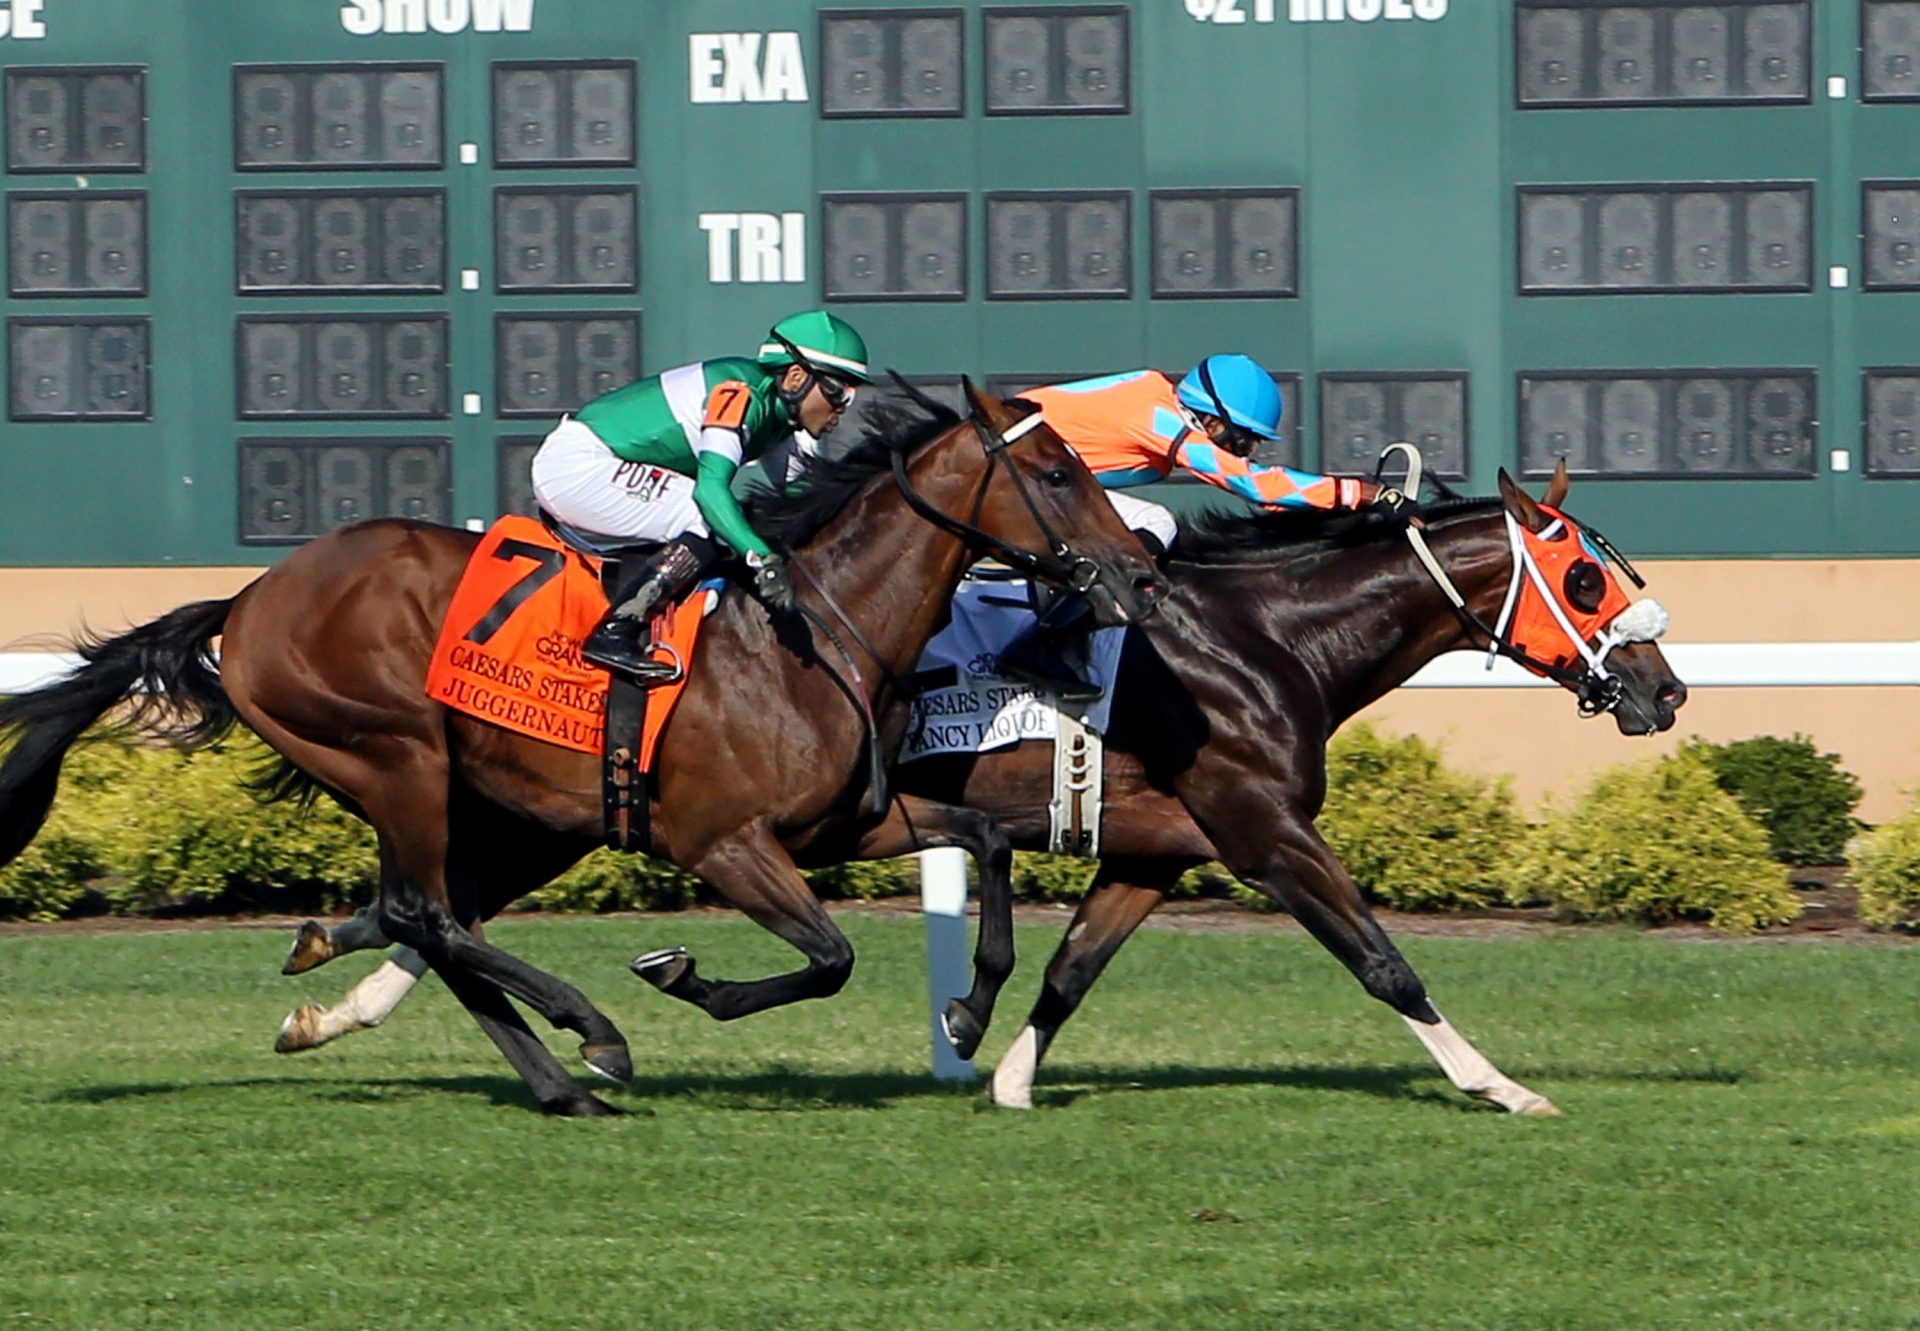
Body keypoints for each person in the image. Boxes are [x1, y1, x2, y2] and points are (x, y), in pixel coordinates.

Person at [999, 354, 1388, 701]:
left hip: (1025, 468)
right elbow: (1256, 486)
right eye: (1241, 440)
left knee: (1119, 524)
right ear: (1211, 420)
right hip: (1017, 473)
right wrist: (1356, 493)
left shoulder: (1154, 402)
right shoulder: (1159, 418)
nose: (1242, 452)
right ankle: (1042, 645)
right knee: (1156, 522)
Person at [529, 310, 872, 683]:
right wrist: (762, 560)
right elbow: (710, 491)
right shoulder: (739, 395)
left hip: (597, 463)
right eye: (838, 391)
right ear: (794, 378)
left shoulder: (779, 419)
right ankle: (616, 630)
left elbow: (803, 500)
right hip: (576, 466)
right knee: (706, 516)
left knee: (740, 522)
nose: (842, 408)